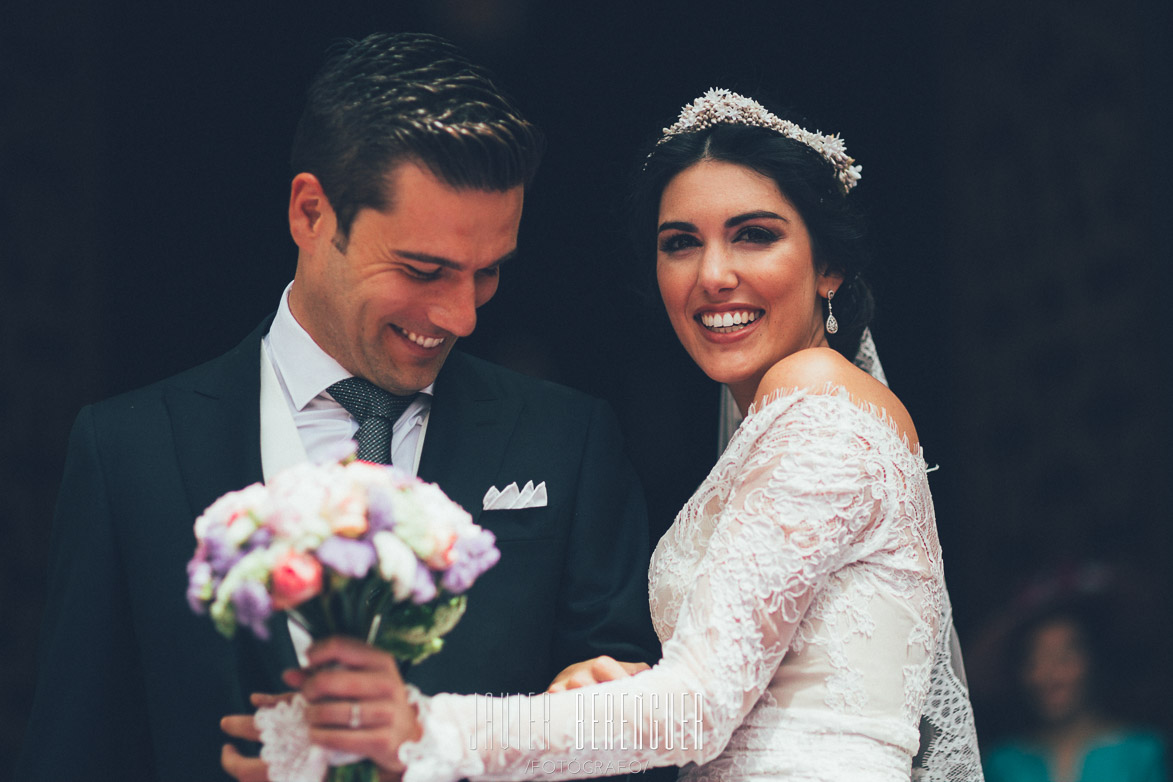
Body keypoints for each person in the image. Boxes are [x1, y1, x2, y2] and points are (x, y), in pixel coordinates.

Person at [239, 88, 985, 782]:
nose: (713, 274)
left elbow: (694, 711)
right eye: (680, 243)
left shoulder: (814, 400)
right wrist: (606, 687)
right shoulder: (791, 414)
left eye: (753, 236)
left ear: (830, 267)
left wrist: (419, 731)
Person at [15, 32, 660, 782]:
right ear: (311, 213)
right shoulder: (128, 450)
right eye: (424, 270)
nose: (460, 316)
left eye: (487, 274)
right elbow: (73, 752)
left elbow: (640, 751)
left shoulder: (566, 439)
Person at [983, 599, 1169, 782]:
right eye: (1035, 661)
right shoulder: (1004, 763)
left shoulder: (1141, 752)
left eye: (1064, 658)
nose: (1050, 675)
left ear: (1094, 662)